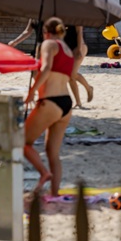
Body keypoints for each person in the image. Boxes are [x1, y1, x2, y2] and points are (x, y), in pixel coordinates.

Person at [24, 17, 76, 196]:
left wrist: (32, 91)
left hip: (51, 101)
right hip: (66, 104)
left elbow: (46, 69)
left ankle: (44, 173)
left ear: (46, 32)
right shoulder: (68, 49)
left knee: (22, 142)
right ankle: (55, 193)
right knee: (52, 152)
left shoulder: (48, 44)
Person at [62, 25, 94, 108]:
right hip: (68, 47)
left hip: (79, 46)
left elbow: (79, 32)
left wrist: (79, 48)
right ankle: (78, 102)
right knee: (69, 76)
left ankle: (89, 88)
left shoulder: (75, 16)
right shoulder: (60, 16)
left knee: (72, 73)